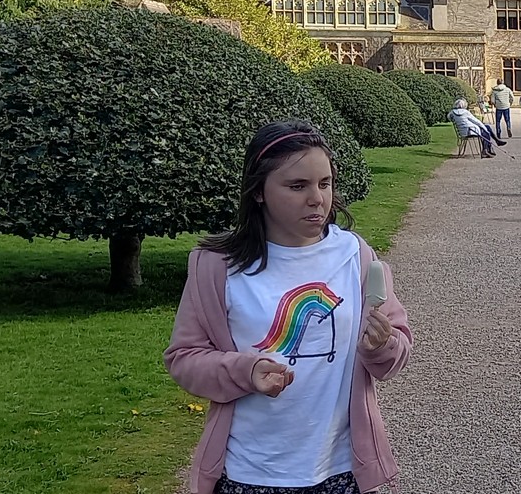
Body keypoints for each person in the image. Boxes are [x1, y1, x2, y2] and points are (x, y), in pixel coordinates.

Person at [164, 119, 413, 494]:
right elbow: (184, 358)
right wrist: (246, 372)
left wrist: (382, 346)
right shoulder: (216, 266)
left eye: (324, 183)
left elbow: (396, 351)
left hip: (340, 471)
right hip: (248, 473)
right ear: (259, 191)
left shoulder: (356, 255)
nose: (317, 199)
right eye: (297, 186)